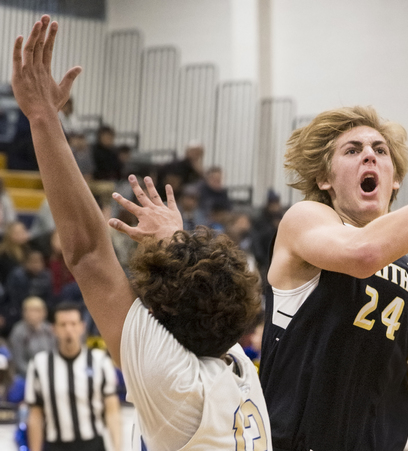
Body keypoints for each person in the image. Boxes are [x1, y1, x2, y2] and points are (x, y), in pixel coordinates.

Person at [110, 102, 408, 449]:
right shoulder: (305, 223)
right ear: (324, 178)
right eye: (352, 150)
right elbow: (365, 253)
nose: (369, 157)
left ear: (394, 180)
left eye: (379, 151)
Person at [12, 15, 271, 451]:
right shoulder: (238, 365)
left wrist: (42, 120)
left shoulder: (176, 383)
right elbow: (200, 294)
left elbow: (89, 253)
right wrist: (173, 239)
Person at [24, 302, 120, 451]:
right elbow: (35, 416)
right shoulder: (39, 364)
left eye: (73, 324)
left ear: (82, 327)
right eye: (63, 325)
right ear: (53, 329)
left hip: (92, 444)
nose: (69, 330)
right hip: (55, 445)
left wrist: (118, 448)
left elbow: (112, 411)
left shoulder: (100, 361)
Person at [8, 296, 56, 377]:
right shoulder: (18, 332)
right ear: (24, 313)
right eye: (30, 310)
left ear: (44, 312)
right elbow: (18, 361)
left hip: (50, 372)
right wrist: (34, 374)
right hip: (25, 375)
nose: (33, 314)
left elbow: (56, 353)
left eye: (37, 310)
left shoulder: (50, 330)